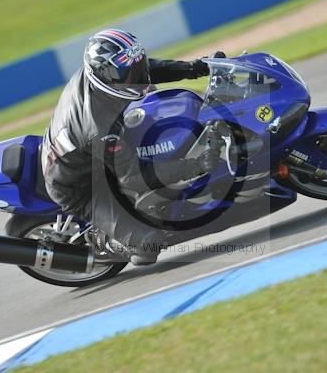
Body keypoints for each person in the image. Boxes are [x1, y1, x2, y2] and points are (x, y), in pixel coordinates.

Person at [41, 28, 224, 265]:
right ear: (105, 74)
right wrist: (196, 165)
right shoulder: (99, 127)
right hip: (81, 185)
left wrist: (197, 67)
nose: (135, 75)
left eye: (134, 65)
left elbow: (147, 71)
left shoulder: (105, 75)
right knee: (149, 244)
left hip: (91, 151)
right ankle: (104, 242)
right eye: (127, 71)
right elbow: (133, 177)